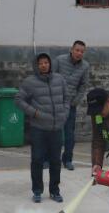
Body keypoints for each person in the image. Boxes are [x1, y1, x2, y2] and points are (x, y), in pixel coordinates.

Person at [15, 53, 70, 203]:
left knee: (56, 161)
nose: (44, 65)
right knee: (37, 160)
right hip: (38, 128)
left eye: (46, 62)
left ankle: (55, 191)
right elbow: (18, 99)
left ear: (50, 64)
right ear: (36, 65)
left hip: (56, 128)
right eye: (40, 63)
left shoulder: (59, 79)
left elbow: (67, 98)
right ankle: (37, 191)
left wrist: (64, 114)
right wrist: (34, 113)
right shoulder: (30, 82)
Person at [54, 40, 91, 172]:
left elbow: (83, 85)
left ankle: (67, 160)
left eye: (82, 51)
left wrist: (75, 101)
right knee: (53, 132)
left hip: (70, 104)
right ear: (71, 50)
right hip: (55, 102)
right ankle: (50, 159)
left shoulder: (85, 66)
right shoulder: (59, 60)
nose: (79, 53)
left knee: (69, 134)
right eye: (77, 50)